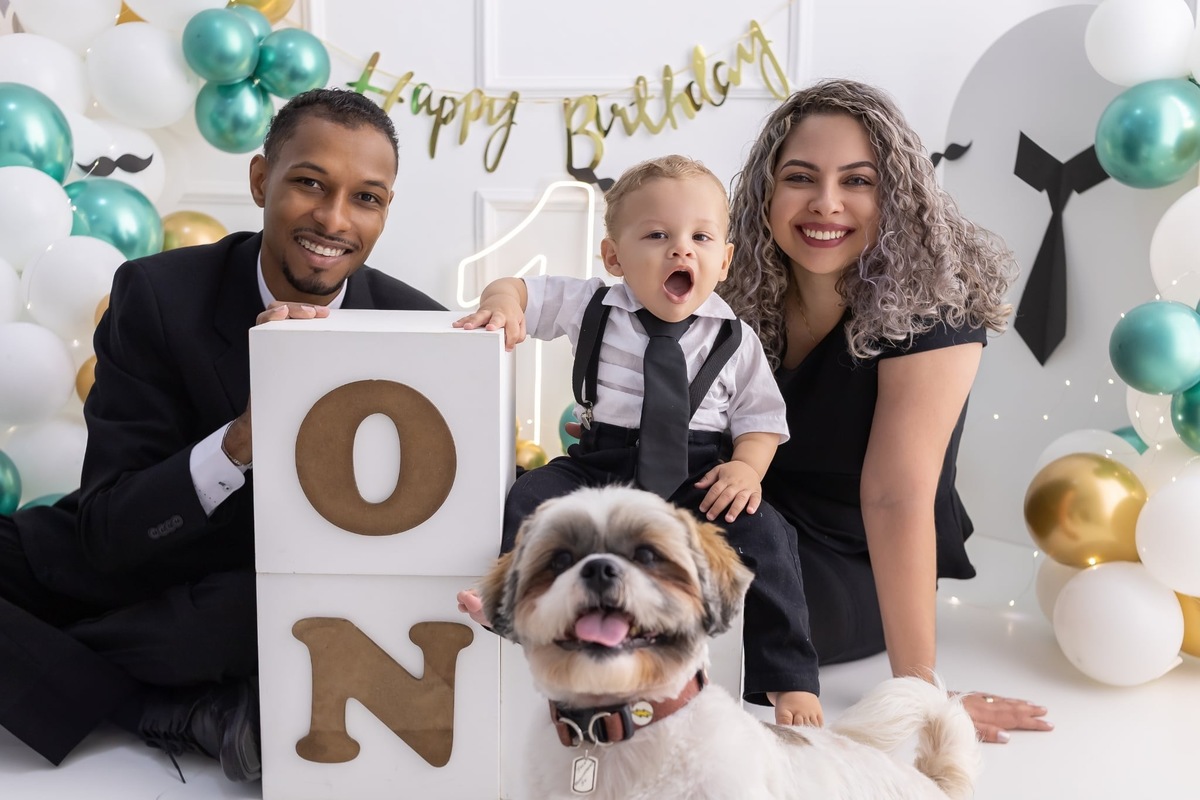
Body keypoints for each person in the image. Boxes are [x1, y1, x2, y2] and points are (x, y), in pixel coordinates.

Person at [0, 87, 444, 781]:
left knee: (237, 626)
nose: (333, 219)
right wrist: (241, 439)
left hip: (253, 599)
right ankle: (157, 702)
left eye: (367, 198)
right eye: (308, 184)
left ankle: (137, 699)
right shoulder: (157, 293)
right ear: (261, 179)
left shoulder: (422, 329)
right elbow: (110, 528)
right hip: (135, 546)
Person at [718, 78, 1053, 743]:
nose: (826, 204)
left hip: (848, 567)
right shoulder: (738, 289)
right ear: (765, 194)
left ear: (895, 196)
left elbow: (898, 497)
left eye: (858, 181)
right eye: (801, 177)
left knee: (699, 608)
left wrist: (920, 694)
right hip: (747, 519)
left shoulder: (935, 314)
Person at [456, 155, 823, 727]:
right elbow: (517, 287)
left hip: (698, 473)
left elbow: (761, 420)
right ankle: (508, 603)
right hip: (601, 459)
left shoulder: (735, 338)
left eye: (700, 237)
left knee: (772, 539)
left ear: (723, 261)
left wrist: (746, 469)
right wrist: (503, 303)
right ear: (614, 257)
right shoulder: (592, 305)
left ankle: (789, 680)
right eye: (657, 235)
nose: (682, 250)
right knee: (531, 495)